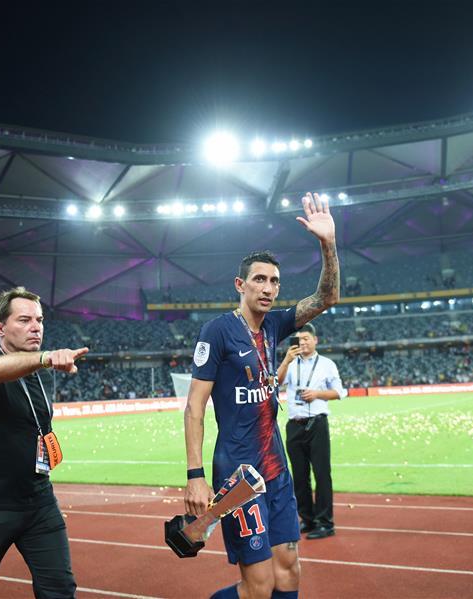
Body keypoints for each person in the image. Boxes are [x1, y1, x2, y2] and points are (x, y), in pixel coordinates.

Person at [185, 192, 339, 599]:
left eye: (274, 281)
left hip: (277, 469)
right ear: (240, 284)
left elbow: (327, 298)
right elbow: (195, 406)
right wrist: (195, 476)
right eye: (259, 279)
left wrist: (328, 244)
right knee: (259, 585)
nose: (268, 288)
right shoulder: (217, 332)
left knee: (289, 572)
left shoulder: (275, 327)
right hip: (238, 477)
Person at [0, 287, 89, 599]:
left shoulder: (40, 373)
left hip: (38, 501)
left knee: (60, 590)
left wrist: (41, 362)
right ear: (0, 327)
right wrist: (46, 358)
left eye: (39, 320)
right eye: (24, 320)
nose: (36, 326)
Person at [276, 323, 346, 539]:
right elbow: (275, 383)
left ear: (316, 340)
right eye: (299, 339)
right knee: (299, 475)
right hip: (294, 424)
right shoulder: (291, 363)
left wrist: (317, 394)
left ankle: (325, 522)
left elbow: (339, 392)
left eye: (307, 338)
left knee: (322, 474)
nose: (303, 342)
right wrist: (286, 360)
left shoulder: (326, 364)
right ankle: (307, 519)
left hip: (317, 423)